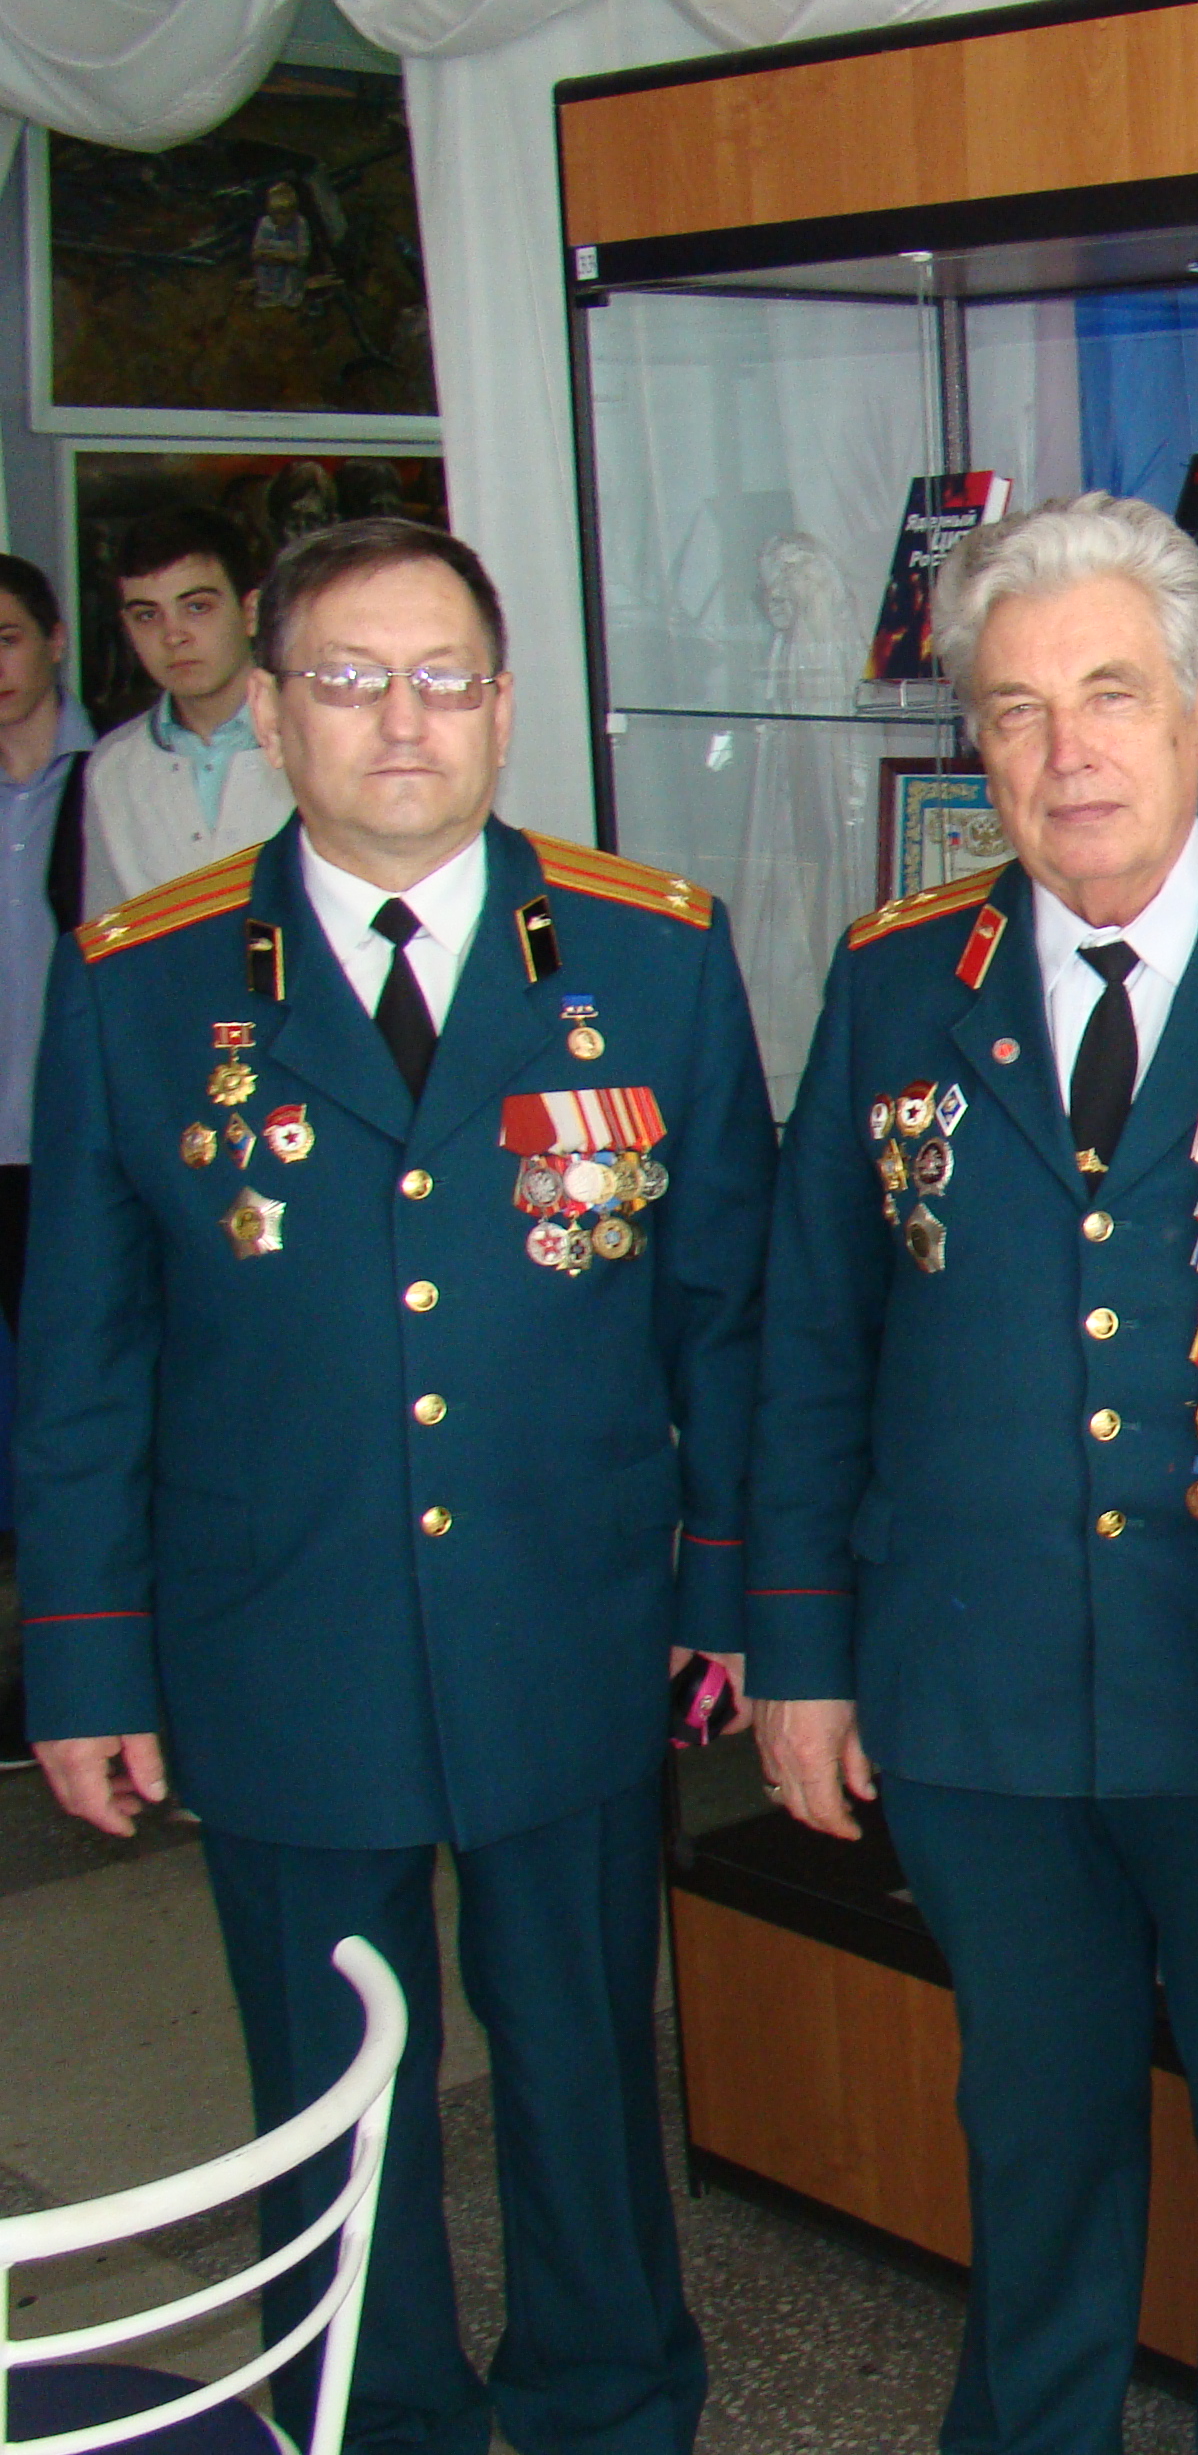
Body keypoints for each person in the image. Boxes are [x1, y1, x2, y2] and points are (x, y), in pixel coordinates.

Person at [20, 515, 777, 2455]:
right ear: (272, 714)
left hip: (568, 1621)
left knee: (583, 2056)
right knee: (322, 2081)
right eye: (350, 681)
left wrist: (720, 1593)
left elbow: (728, 1316)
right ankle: (373, 2410)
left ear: (505, 708)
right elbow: (86, 1353)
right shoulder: (139, 985)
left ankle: (610, 2397)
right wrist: (86, 1657)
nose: (404, 722)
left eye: (445, 679)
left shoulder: (652, 953)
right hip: (282, 1631)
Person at [744, 493, 1198, 2455]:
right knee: (1033, 2134)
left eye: (1114, 694)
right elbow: (814, 1336)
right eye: (1017, 709)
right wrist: (799, 1654)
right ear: (976, 745)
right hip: (977, 1699)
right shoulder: (898, 980)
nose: (1069, 751)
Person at [0, 551, 92, 1772]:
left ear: (55, 641)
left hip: (61, 1145)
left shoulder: (104, 778)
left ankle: (79, 1655)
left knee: (73, 1398)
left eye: (8, 637)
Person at [81, 505, 293, 914]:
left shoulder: (317, 738)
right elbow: (106, 930)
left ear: (250, 613)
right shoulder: (112, 766)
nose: (173, 635)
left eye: (197, 607)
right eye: (147, 615)